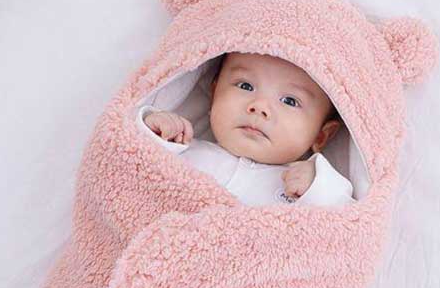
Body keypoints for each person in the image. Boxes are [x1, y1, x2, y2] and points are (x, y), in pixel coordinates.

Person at [136, 51, 354, 206]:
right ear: (214, 94)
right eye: (245, 86)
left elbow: (345, 228)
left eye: (289, 101)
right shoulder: (182, 148)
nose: (259, 107)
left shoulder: (309, 190)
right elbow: (135, 161)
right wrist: (155, 127)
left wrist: (318, 187)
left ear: (321, 136)